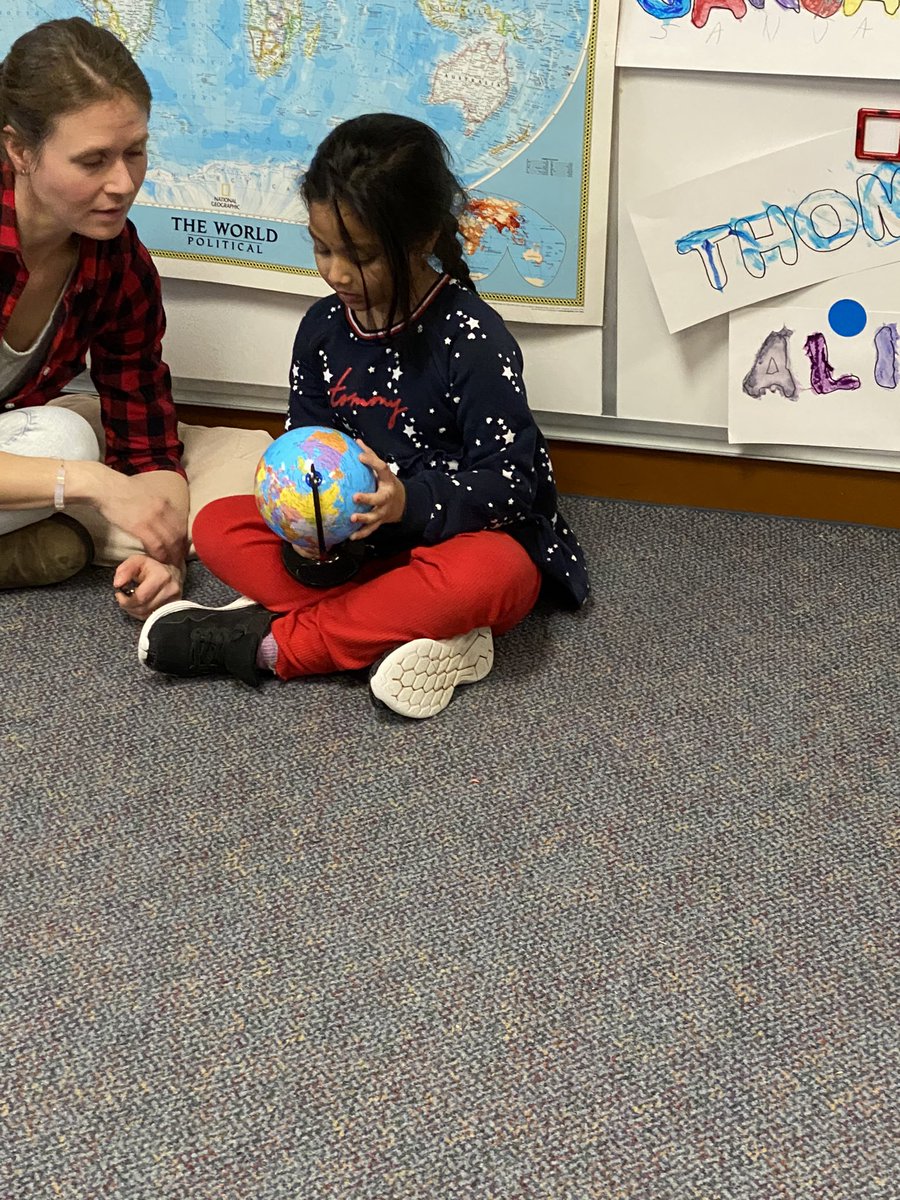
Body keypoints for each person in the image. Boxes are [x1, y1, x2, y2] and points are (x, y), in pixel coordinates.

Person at [138, 113, 589, 718]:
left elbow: (511, 485)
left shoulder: (474, 338)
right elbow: (307, 444)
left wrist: (408, 503)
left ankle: (273, 645)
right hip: (355, 554)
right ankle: (406, 629)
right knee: (219, 524)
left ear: (423, 237)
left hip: (457, 540)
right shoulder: (323, 330)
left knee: (501, 574)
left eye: (362, 256)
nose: (337, 273)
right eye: (323, 248)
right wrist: (306, 531)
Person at [0, 17, 187, 616]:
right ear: (19, 149)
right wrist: (94, 486)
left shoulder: (118, 262)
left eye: (135, 151)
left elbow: (147, 442)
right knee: (78, 470)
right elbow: (107, 480)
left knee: (68, 439)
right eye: (93, 160)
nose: (123, 182)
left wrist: (164, 556)